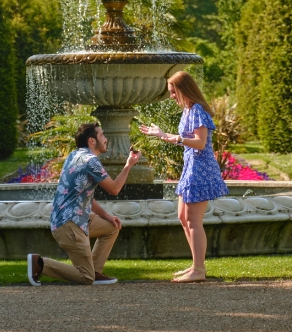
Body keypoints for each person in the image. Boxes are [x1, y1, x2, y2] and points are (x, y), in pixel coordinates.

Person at [138, 70, 228, 282]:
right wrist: (161, 134)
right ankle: (196, 266)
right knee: (183, 217)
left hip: (200, 168)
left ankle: (198, 270)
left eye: (173, 91)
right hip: (191, 167)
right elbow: (185, 139)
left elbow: (200, 142)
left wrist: (176, 137)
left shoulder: (197, 109)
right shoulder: (188, 110)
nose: (171, 96)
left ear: (183, 89)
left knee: (193, 220)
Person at [27, 121, 141, 286]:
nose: (106, 138)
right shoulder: (90, 161)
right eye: (102, 135)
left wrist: (107, 216)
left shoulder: (75, 155)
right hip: (70, 226)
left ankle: (95, 271)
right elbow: (114, 189)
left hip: (71, 221)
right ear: (92, 140)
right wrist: (128, 165)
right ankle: (40, 264)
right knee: (85, 278)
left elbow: (85, 195)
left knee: (111, 227)